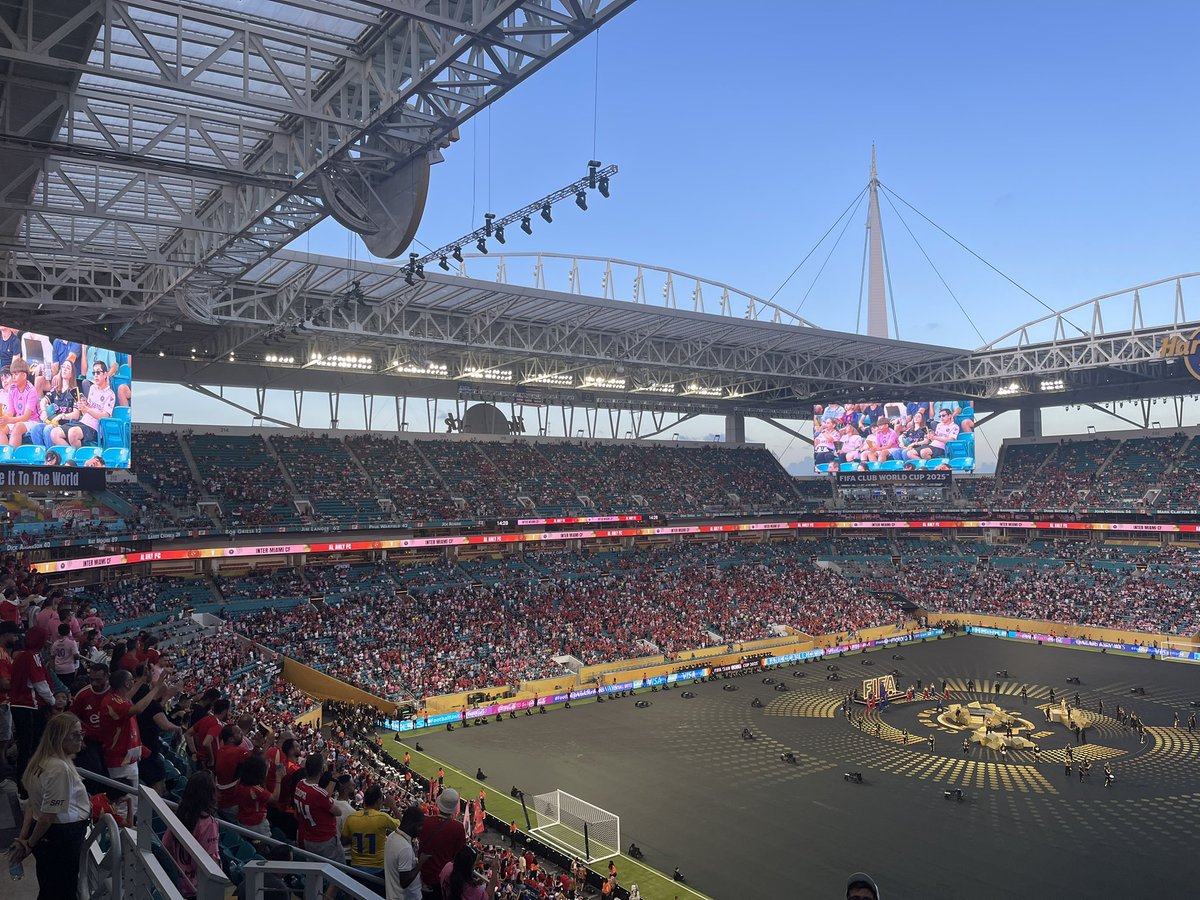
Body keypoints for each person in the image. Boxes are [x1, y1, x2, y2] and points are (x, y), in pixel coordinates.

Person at [8, 713, 91, 900]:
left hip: (50, 837)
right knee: (62, 890)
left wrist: (25, 837)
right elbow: (47, 816)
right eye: (75, 735)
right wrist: (29, 844)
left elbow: (32, 804)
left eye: (81, 733)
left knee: (49, 886)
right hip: (61, 837)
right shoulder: (59, 768)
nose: (80, 739)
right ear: (59, 738)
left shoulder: (39, 761)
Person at [163, 771, 222, 899]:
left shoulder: (179, 815)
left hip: (179, 882)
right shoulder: (209, 823)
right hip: (198, 888)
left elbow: (166, 843)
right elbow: (210, 862)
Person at [293, 752, 345, 865]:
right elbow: (338, 811)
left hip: (308, 837)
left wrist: (333, 779)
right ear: (321, 771)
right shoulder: (318, 793)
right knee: (338, 871)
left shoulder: (300, 784)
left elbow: (322, 798)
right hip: (324, 840)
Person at [419, 787, 467, 899]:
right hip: (443, 881)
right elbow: (459, 855)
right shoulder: (458, 828)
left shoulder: (425, 821)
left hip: (422, 876)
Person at [343, 785, 400, 876]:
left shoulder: (351, 818)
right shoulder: (382, 817)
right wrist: (393, 806)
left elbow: (344, 840)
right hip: (378, 869)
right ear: (378, 801)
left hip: (356, 867)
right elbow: (403, 826)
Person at [384, 805, 426, 900]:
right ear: (412, 824)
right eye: (420, 825)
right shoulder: (404, 847)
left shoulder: (392, 836)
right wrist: (420, 863)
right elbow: (404, 881)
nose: (421, 829)